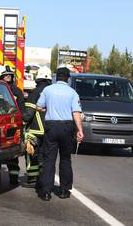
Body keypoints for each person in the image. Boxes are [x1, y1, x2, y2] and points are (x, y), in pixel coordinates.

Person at [36, 67, 84, 201]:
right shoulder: (72, 93)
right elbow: (76, 113)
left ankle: (46, 192)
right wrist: (80, 130)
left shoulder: (47, 90)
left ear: (56, 78)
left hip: (51, 126)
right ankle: (64, 190)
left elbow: (39, 106)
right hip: (67, 127)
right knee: (65, 159)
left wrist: (48, 108)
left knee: (49, 159)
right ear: (68, 79)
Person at [21, 66, 52, 188]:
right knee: (46, 156)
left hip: (36, 130)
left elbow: (28, 114)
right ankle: (44, 179)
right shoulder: (52, 91)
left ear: (37, 79)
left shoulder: (35, 93)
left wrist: (22, 120)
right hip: (51, 130)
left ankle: (33, 180)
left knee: (32, 154)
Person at [0, 66, 27, 185]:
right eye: (6, 75)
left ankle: (12, 177)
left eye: (9, 75)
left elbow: (21, 108)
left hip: (11, 126)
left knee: (11, 152)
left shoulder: (12, 91)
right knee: (1, 150)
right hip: (1, 125)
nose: (8, 77)